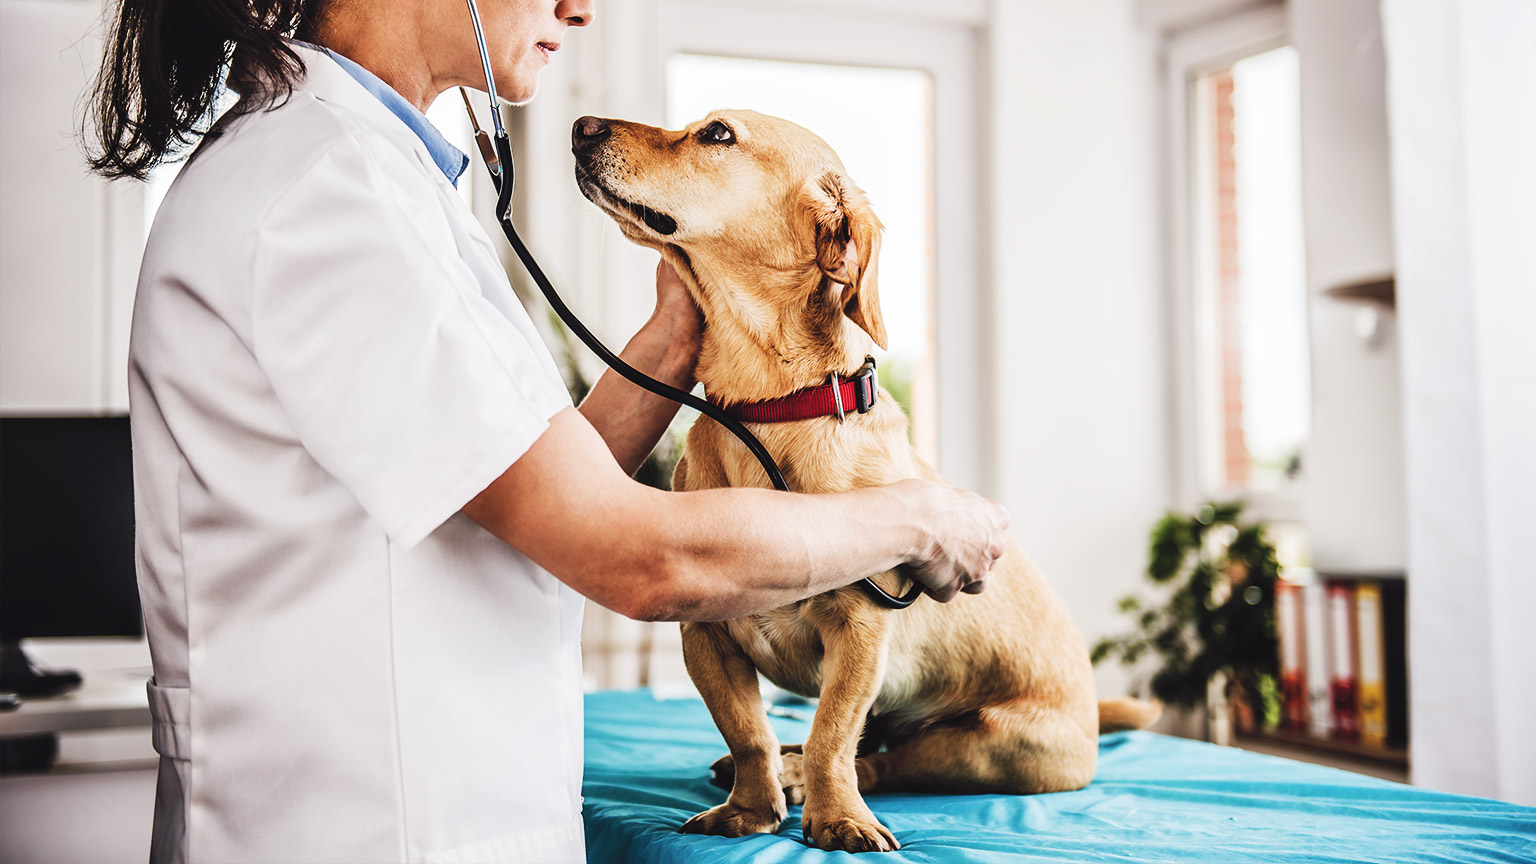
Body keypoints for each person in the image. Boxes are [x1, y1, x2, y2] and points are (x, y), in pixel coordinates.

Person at [89, 0, 1010, 861]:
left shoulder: (365, 175)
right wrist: (921, 517)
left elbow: (521, 483)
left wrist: (674, 340)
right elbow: (641, 559)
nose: (581, 5)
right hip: (369, 821)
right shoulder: (328, 193)